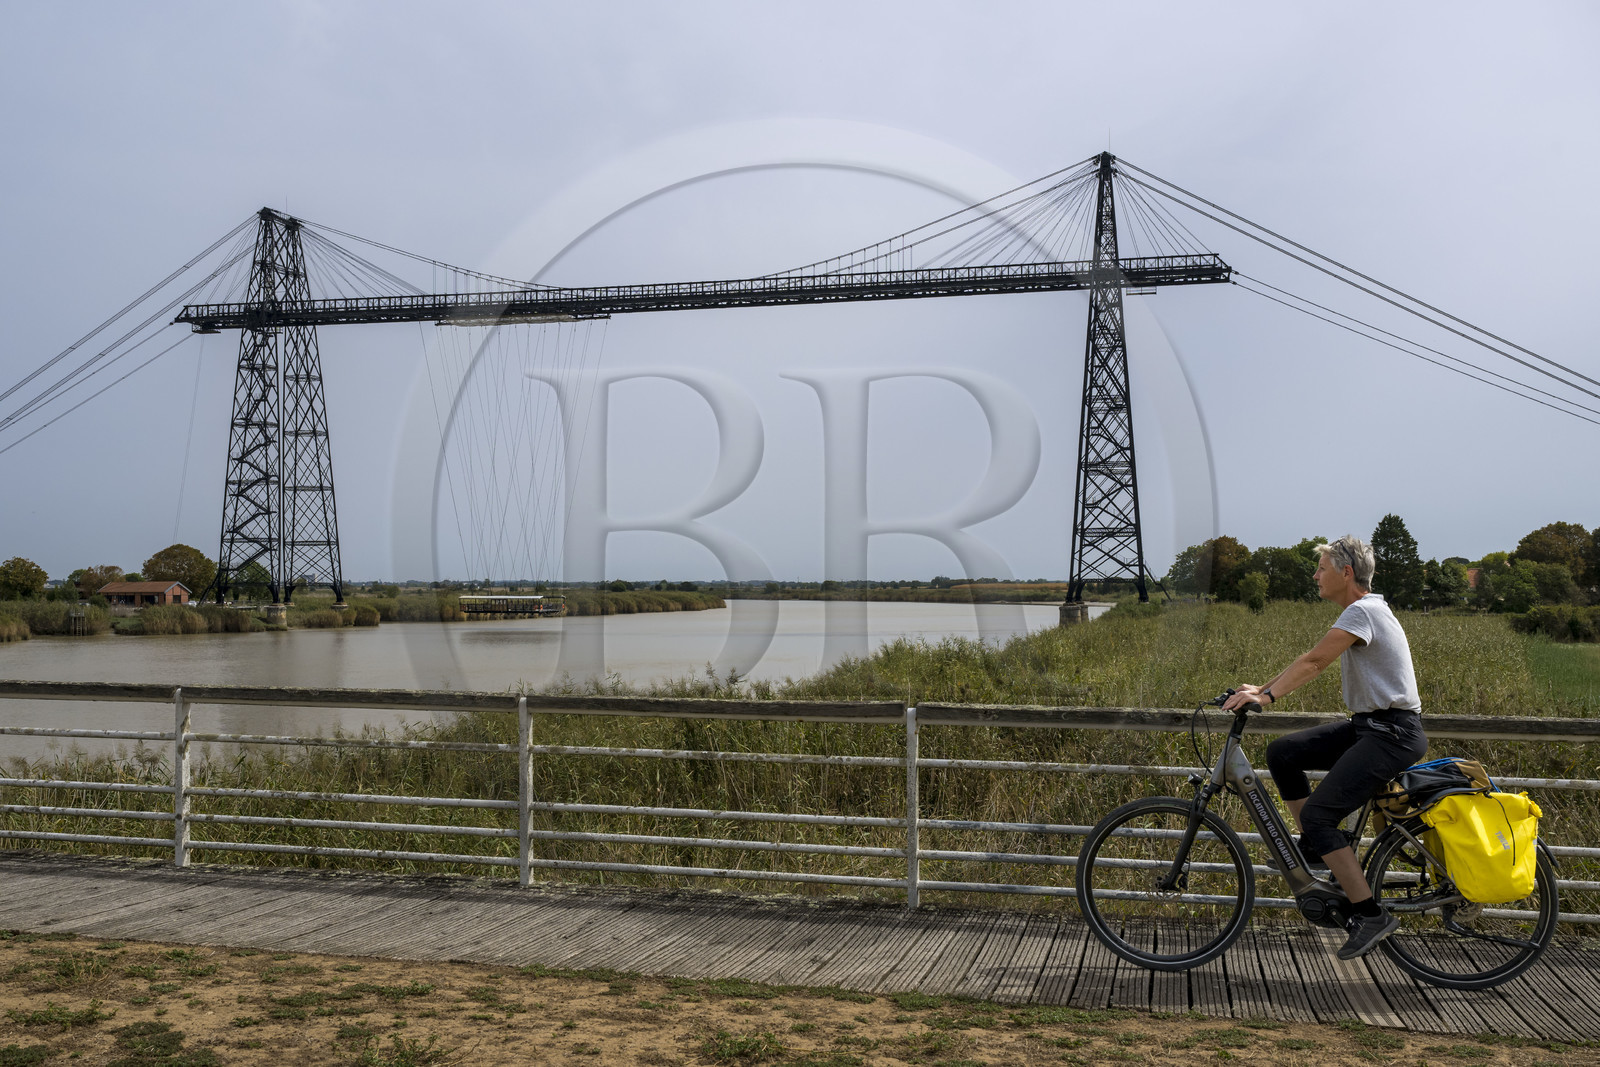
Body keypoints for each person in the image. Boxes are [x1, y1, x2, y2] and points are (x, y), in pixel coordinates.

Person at [1222, 534, 1428, 960]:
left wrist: (1266, 698)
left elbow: (1316, 662)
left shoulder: (1364, 611)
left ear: (1346, 573)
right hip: (1372, 727)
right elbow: (1309, 656)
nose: (1316, 576)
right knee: (1284, 753)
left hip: (1392, 734)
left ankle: (1370, 915)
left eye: (1321, 568)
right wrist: (1260, 688)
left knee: (1319, 815)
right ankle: (1316, 849)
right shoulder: (1364, 611)